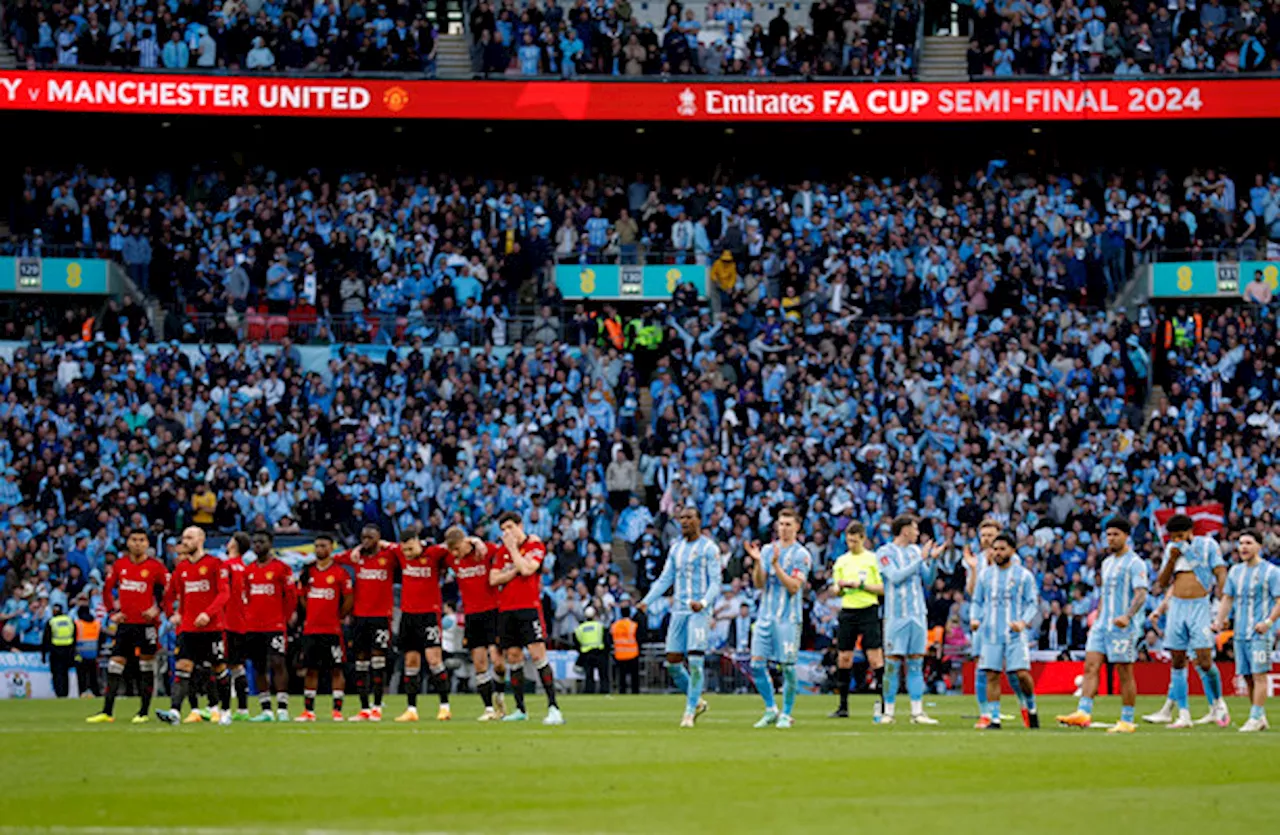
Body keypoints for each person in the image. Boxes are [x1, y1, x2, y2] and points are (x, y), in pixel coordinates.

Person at [1056, 517, 1148, 733]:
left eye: (1116, 534)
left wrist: (1127, 616)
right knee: (1090, 666)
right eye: (1108, 535)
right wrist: (1097, 618)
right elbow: (1105, 594)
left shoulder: (1135, 563)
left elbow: (1141, 594)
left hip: (1123, 627)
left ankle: (1127, 720)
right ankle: (1083, 712)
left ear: (1126, 536)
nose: (1111, 539)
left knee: (1124, 672)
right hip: (1102, 624)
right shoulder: (1106, 563)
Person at [1143, 513, 1229, 728]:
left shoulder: (1208, 545)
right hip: (1177, 607)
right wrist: (1171, 558)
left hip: (1200, 605)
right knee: (1177, 660)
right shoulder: (1171, 550)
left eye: (1180, 536)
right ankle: (1183, 714)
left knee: (1204, 659)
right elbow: (1162, 583)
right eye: (1173, 537)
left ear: (1191, 531)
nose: (1177, 540)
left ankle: (1218, 702)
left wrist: (1224, 605)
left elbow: (1220, 572)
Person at [638, 506, 720, 727]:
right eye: (681, 518)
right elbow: (665, 579)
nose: (685, 521)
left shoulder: (709, 548)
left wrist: (702, 603)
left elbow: (715, 583)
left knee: (695, 661)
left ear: (699, 521)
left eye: (689, 517)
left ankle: (689, 712)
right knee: (673, 663)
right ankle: (698, 701)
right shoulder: (676, 549)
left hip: (699, 611)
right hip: (679, 611)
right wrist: (647, 600)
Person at [489, 510, 564, 725]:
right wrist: (513, 570)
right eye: (503, 530)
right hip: (506, 610)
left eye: (510, 528)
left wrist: (513, 551)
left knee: (538, 654)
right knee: (513, 657)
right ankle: (520, 709)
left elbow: (528, 569)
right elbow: (493, 579)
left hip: (528, 608)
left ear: (520, 526)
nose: (507, 533)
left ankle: (553, 707)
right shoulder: (501, 551)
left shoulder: (534, 545)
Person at [87, 528, 168, 724]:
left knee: (146, 666)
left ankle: (143, 712)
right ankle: (107, 711)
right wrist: (113, 613)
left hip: (146, 625)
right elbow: (106, 590)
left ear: (147, 544)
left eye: (142, 540)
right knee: (115, 665)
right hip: (125, 625)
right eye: (134, 540)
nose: (138, 543)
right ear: (128, 543)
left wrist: (158, 609)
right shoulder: (120, 565)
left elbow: (170, 590)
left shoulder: (156, 567)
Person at [157, 527, 233, 726]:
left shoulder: (215, 564)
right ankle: (174, 711)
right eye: (183, 538)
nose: (185, 542)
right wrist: (171, 615)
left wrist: (208, 613)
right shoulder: (181, 569)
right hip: (188, 629)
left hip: (213, 628)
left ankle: (225, 711)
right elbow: (169, 595)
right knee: (183, 668)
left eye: (189, 538)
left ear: (201, 539)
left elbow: (224, 593)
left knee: (219, 668)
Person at [744, 507, 811, 729]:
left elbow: (793, 587)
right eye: (781, 524)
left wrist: (775, 565)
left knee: (788, 667)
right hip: (765, 617)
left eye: (788, 524)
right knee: (756, 665)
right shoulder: (767, 550)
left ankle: (787, 713)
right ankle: (771, 709)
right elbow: (759, 584)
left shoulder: (802, 555)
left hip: (788, 619)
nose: (783, 529)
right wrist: (757, 562)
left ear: (797, 527)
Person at [876, 514, 944, 725]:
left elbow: (928, 580)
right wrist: (921, 559)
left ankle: (917, 712)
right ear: (905, 530)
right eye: (914, 529)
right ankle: (888, 712)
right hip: (896, 615)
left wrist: (932, 560)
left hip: (917, 614)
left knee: (916, 663)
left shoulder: (916, 551)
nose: (917, 533)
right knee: (892, 664)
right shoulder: (884, 552)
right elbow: (895, 577)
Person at [964, 518, 1030, 727]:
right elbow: (972, 592)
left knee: (1013, 671)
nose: (986, 539)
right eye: (983, 535)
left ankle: (1024, 706)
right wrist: (974, 569)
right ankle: (986, 714)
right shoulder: (976, 560)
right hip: (983, 624)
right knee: (982, 668)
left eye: (990, 535)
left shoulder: (1014, 561)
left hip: (1008, 624)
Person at [1214, 529, 1280, 732]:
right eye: (1241, 543)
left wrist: (1268, 623)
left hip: (1261, 632)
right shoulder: (1235, 571)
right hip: (1240, 633)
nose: (1243, 547)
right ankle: (1258, 716)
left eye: (1249, 543)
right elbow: (1228, 598)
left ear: (1259, 546)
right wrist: (1219, 620)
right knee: (1248, 676)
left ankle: (1255, 717)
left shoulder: (1271, 572)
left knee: (1259, 675)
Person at [334, 525, 398, 722]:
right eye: (363, 537)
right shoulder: (357, 557)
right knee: (361, 662)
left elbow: (404, 550)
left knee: (378, 662)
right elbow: (333, 559)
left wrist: (388, 544)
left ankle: (377, 707)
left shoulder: (388, 556)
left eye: (371, 537)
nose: (366, 540)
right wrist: (354, 550)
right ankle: (364, 709)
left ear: (379, 538)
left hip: (381, 616)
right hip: (360, 617)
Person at [444, 527, 507, 720]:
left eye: (457, 549)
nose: (455, 554)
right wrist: (473, 540)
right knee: (479, 663)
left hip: (494, 612)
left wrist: (477, 541)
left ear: (464, 542)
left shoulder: (485, 550)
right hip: (472, 615)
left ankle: (499, 695)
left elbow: (503, 551)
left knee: (498, 663)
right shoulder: (451, 558)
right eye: (452, 550)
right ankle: (489, 708)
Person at [390, 528, 451, 723]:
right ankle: (411, 709)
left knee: (434, 660)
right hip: (408, 615)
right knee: (410, 663)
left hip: (429, 615)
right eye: (404, 549)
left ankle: (444, 706)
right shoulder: (399, 552)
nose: (407, 553)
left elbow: (456, 544)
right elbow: (382, 545)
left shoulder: (434, 553)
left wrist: (477, 541)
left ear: (418, 541)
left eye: (410, 548)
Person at [295, 533, 354, 722]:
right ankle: (308, 711)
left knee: (336, 669)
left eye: (323, 545)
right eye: (317, 545)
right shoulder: (308, 572)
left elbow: (349, 599)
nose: (319, 549)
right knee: (311, 669)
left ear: (332, 548)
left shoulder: (340, 572)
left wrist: (339, 616)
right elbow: (301, 596)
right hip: (311, 629)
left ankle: (337, 710)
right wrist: (311, 612)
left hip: (333, 630)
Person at [828, 522, 883, 720]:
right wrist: (840, 587)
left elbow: (883, 588)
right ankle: (843, 706)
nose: (851, 544)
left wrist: (862, 586)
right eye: (848, 540)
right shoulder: (841, 561)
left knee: (875, 657)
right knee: (844, 658)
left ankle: (885, 705)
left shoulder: (873, 559)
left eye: (854, 540)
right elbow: (835, 589)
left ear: (863, 538)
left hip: (868, 609)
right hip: (848, 611)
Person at [243, 529, 297, 722]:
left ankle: (282, 709)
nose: (257, 545)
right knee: (258, 666)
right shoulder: (248, 570)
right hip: (253, 626)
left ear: (270, 544)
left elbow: (291, 595)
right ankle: (266, 709)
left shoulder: (282, 568)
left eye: (261, 542)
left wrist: (288, 616)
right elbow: (245, 598)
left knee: (278, 662)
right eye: (255, 542)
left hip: (274, 624)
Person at [221, 531, 252, 721]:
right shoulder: (245, 568)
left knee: (219, 665)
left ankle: (220, 708)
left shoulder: (226, 566)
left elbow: (222, 594)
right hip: (241, 622)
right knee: (237, 666)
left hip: (226, 621)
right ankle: (243, 709)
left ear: (234, 545)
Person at [41, 603, 77, 698]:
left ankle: (59, 693)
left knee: (57, 674)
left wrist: (44, 655)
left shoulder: (52, 621)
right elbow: (75, 636)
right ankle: (65, 693)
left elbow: (46, 639)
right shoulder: (69, 620)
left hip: (56, 650)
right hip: (68, 650)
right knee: (65, 674)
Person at [574, 606, 609, 694]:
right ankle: (604, 691)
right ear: (594, 615)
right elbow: (606, 640)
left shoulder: (580, 628)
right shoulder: (599, 626)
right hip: (599, 652)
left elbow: (577, 643)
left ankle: (589, 691)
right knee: (603, 675)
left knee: (589, 676)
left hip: (586, 654)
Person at [611, 606, 641, 694]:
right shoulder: (633, 625)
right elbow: (638, 637)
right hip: (632, 653)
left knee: (621, 676)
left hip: (619, 653)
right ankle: (635, 692)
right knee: (634, 676)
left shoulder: (615, 625)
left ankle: (622, 692)